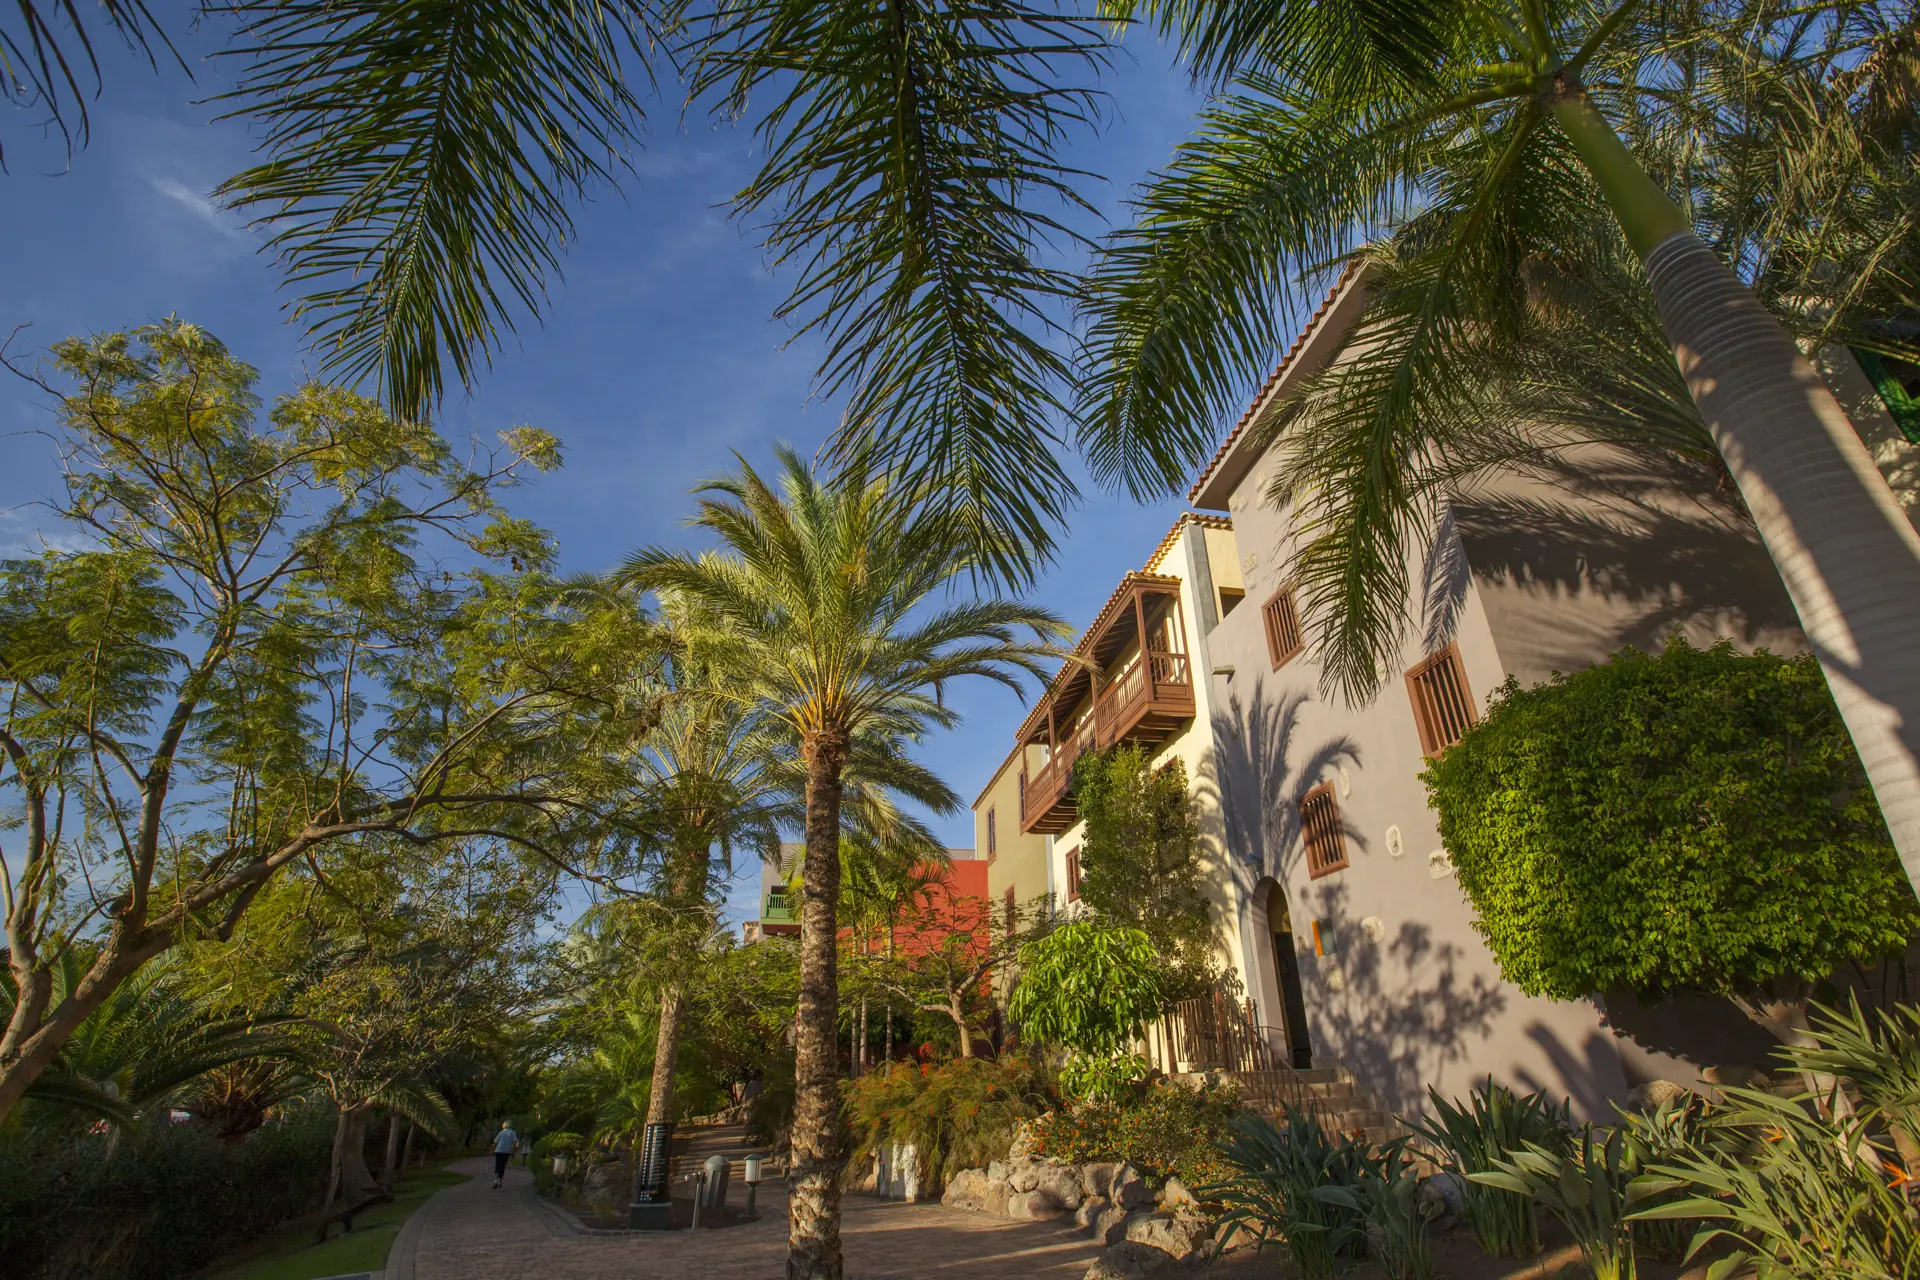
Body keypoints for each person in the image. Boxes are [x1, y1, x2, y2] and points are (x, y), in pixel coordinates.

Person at [492, 1119, 518, 1188]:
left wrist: (491, 1151)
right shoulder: (513, 1133)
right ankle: (499, 1181)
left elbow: (495, 1143)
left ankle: (496, 1180)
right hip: (506, 1152)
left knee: (497, 1165)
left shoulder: (501, 1133)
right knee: (502, 1166)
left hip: (498, 1150)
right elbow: (515, 1143)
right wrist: (514, 1152)